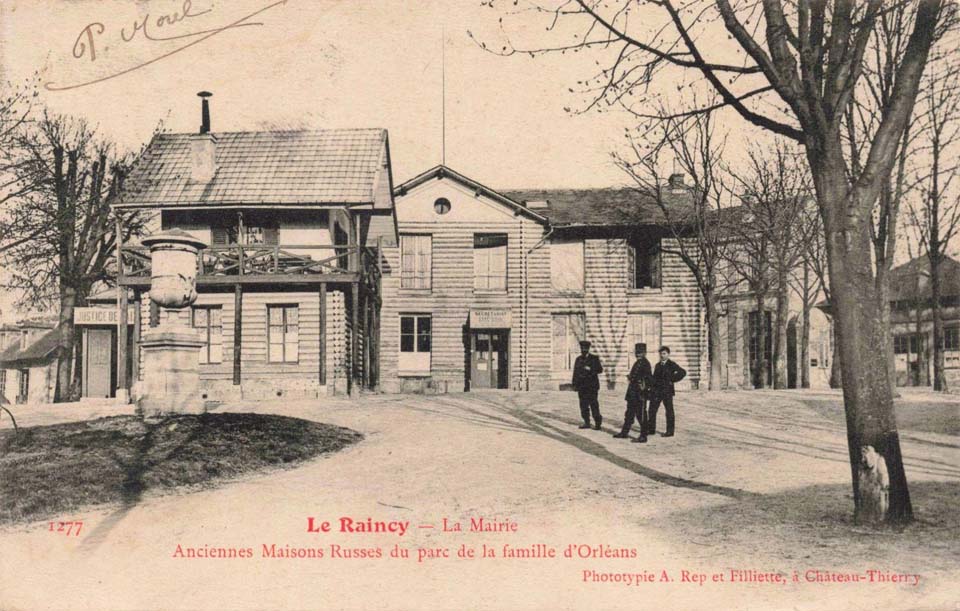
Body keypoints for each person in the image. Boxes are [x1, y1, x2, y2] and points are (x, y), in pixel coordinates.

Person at [613, 343, 652, 442]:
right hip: (633, 393)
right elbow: (635, 376)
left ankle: (643, 436)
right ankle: (624, 433)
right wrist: (630, 377)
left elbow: (648, 379)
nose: (638, 354)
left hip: (640, 394)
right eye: (637, 352)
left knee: (641, 415)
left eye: (640, 353)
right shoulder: (637, 362)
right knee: (629, 413)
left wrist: (644, 389)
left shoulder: (646, 363)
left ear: (645, 353)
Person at [647, 346, 686, 438]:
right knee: (652, 410)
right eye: (661, 354)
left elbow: (682, 372)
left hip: (667, 391)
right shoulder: (657, 365)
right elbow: (654, 378)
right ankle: (651, 429)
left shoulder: (672, 364)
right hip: (657, 391)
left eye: (664, 354)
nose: (662, 355)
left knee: (669, 411)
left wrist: (672, 380)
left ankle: (670, 431)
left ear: (668, 354)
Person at [571, 340, 603, 430]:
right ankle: (586, 422)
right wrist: (574, 384)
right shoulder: (578, 359)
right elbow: (575, 372)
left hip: (592, 386)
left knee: (594, 404)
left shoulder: (594, 358)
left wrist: (590, 368)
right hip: (582, 386)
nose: (583, 350)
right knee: (583, 405)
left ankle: (597, 423)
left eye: (585, 348)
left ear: (588, 349)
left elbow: (600, 370)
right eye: (582, 348)